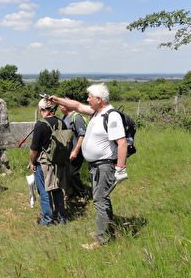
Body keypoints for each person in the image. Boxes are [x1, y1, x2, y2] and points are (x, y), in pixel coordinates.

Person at [50, 83, 128, 248]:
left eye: (90, 97)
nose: (87, 100)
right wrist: (57, 100)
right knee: (101, 199)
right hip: (96, 166)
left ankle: (101, 239)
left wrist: (121, 168)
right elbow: (77, 106)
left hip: (105, 166)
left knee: (100, 200)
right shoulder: (96, 112)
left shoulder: (111, 116)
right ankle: (106, 229)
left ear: (99, 99)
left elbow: (122, 143)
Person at [27, 98, 67, 226]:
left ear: (40, 109)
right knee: (57, 189)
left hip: (44, 163)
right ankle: (61, 218)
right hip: (59, 161)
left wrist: (32, 162)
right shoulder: (61, 123)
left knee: (44, 191)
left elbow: (34, 149)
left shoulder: (40, 124)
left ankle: (47, 220)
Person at [59, 104, 88, 201]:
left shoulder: (76, 117)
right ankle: (70, 193)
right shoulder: (63, 117)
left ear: (66, 107)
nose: (59, 107)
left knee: (72, 173)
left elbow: (82, 135)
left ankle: (82, 194)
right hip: (66, 152)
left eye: (61, 106)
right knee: (65, 173)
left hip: (75, 151)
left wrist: (76, 150)